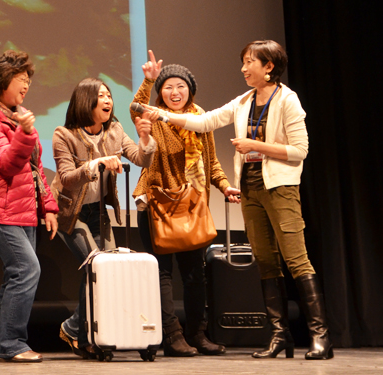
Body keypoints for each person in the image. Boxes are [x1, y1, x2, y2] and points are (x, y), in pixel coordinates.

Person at [148, 40, 333, 360]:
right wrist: (164, 116)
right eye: (244, 62)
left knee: (296, 259)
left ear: (269, 66)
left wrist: (253, 144)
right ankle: (280, 336)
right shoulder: (245, 100)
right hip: (251, 189)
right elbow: (206, 121)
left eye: (250, 62)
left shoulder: (288, 100)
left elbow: (300, 151)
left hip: (280, 187)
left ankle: (321, 337)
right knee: (265, 260)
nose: (245, 68)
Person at [130, 51, 240, 357]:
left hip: (192, 205)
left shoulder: (200, 119)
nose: (174, 92)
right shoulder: (154, 117)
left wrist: (225, 186)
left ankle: (197, 334)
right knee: (162, 274)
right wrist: (149, 79)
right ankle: (172, 336)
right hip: (159, 204)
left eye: (180, 86)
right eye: (167, 87)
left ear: (190, 89)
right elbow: (135, 107)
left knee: (195, 274)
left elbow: (212, 162)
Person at [51, 77, 156, 358]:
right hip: (71, 214)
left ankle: (78, 331)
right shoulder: (64, 134)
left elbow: (139, 158)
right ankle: (84, 334)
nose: (108, 100)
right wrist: (96, 163)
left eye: (109, 95)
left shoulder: (115, 130)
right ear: (87, 101)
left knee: (109, 272)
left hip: (98, 212)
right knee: (97, 268)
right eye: (102, 95)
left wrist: (145, 141)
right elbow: (66, 179)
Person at [0, 50, 59, 363]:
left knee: (15, 275)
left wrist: (48, 205)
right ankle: (11, 344)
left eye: (27, 80)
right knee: (26, 269)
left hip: (23, 211)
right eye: (20, 80)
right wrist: (24, 132)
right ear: (1, 83)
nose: (26, 86)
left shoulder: (16, 117)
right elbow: (7, 164)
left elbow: (35, 168)